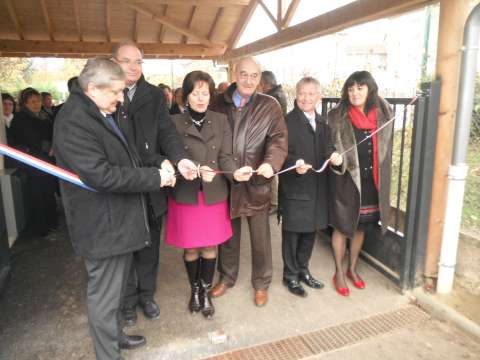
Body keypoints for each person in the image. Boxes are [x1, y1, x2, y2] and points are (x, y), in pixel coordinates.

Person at [53, 58, 195, 360]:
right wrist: (155, 177)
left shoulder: (98, 112)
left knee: (115, 292)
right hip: (101, 226)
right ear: (92, 88)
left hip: (117, 222)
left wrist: (159, 162)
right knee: (104, 297)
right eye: (115, 92)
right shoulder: (74, 121)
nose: (120, 99)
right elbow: (102, 175)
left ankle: (115, 338)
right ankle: (109, 355)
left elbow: (129, 156)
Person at [111, 41, 196, 326]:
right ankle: (125, 301)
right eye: (126, 61)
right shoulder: (106, 94)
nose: (133, 67)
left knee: (149, 244)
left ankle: (147, 295)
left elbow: (167, 132)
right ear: (114, 62)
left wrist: (180, 158)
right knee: (123, 247)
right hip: (121, 183)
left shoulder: (154, 95)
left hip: (152, 181)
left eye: (138, 61)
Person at [166, 70, 251, 318]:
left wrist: (233, 173)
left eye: (205, 93)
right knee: (191, 248)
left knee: (210, 247)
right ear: (186, 96)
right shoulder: (174, 122)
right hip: (186, 193)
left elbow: (225, 155)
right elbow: (169, 155)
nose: (201, 98)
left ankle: (205, 290)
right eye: (195, 93)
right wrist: (184, 167)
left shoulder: (220, 120)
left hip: (213, 192)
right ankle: (194, 290)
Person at [210, 57, 288, 307]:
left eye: (254, 76)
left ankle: (262, 283)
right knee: (228, 237)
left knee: (261, 239)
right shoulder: (217, 103)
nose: (248, 80)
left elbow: (278, 139)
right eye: (244, 74)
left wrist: (270, 163)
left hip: (257, 181)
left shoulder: (270, 105)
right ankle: (227, 277)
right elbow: (211, 139)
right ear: (235, 74)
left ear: (259, 79)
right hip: (228, 180)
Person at [327, 70, 393, 297]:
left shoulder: (382, 114)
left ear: (370, 90)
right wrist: (335, 158)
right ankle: (339, 272)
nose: (354, 93)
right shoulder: (337, 115)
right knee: (342, 226)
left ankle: (352, 268)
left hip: (371, 180)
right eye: (351, 88)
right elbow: (329, 146)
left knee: (360, 226)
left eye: (360, 88)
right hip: (346, 179)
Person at [279, 77, 342, 297]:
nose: (306, 98)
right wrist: (293, 164)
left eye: (311, 94)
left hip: (317, 188)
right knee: (292, 233)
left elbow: (328, 147)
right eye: (302, 94)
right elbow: (278, 153)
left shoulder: (323, 123)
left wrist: (333, 154)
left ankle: (303, 269)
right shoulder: (286, 122)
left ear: (319, 97)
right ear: (296, 96)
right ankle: (290, 275)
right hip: (295, 188)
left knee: (310, 232)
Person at [10, 87, 57, 236]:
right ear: (24, 103)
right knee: (38, 195)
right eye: (32, 102)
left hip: (46, 160)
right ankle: (41, 227)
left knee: (48, 192)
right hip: (33, 163)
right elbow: (30, 139)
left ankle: (51, 222)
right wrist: (48, 146)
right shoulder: (21, 118)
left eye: (38, 101)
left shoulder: (41, 115)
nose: (37, 104)